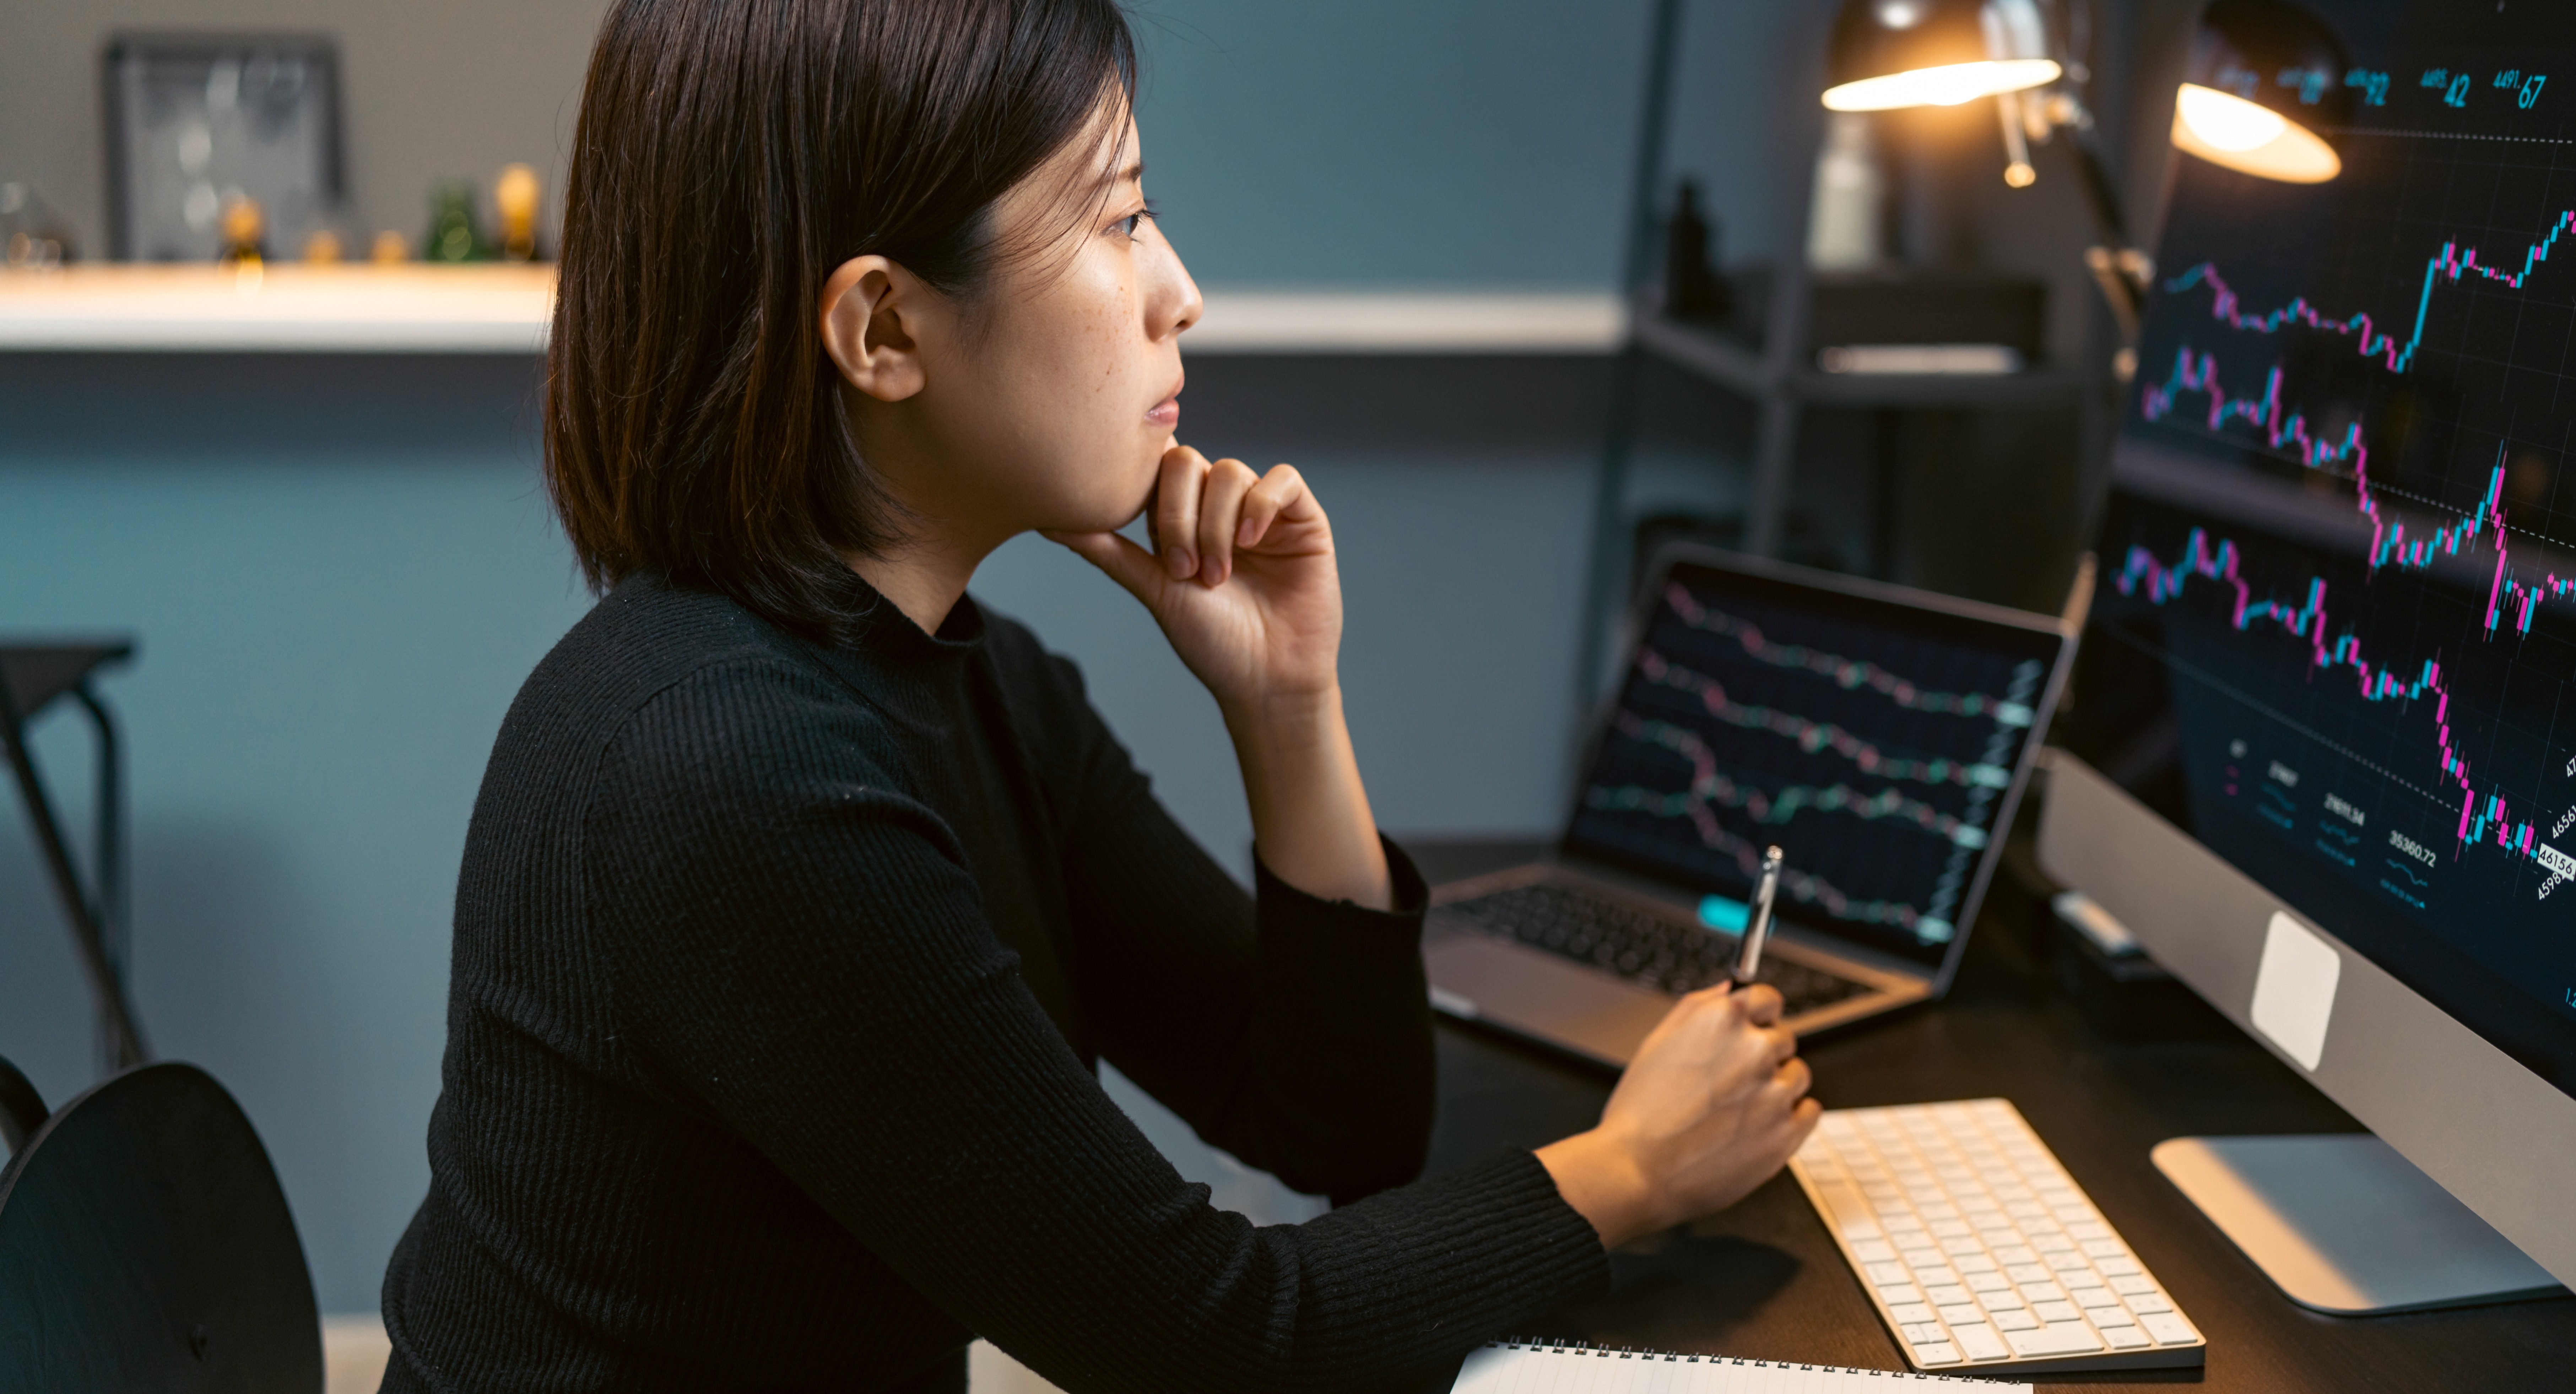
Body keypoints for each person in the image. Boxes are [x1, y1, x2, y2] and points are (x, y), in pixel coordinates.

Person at [376, 1, 1820, 1390]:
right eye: (1117, 220)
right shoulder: (726, 772)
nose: (1178, 289)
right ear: (881, 332)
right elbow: (1211, 1343)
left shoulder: (968, 677)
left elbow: (1340, 1123)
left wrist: (1285, 707)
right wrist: (1631, 1170)